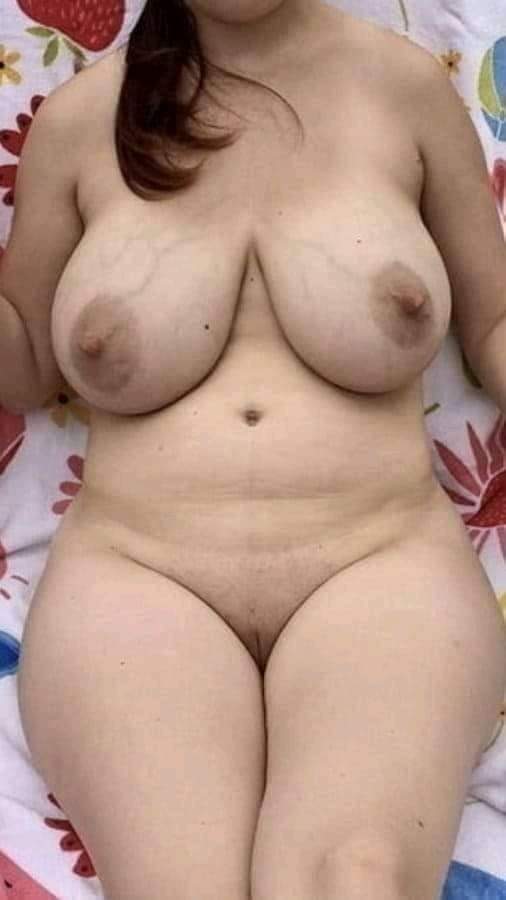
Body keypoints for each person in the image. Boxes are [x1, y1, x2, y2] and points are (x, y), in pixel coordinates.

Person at [1, 0, 505, 897]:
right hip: (136, 576)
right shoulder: (81, 122)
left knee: (355, 878)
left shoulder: (405, 91)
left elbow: (495, 325)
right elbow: (28, 367)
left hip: (380, 562)